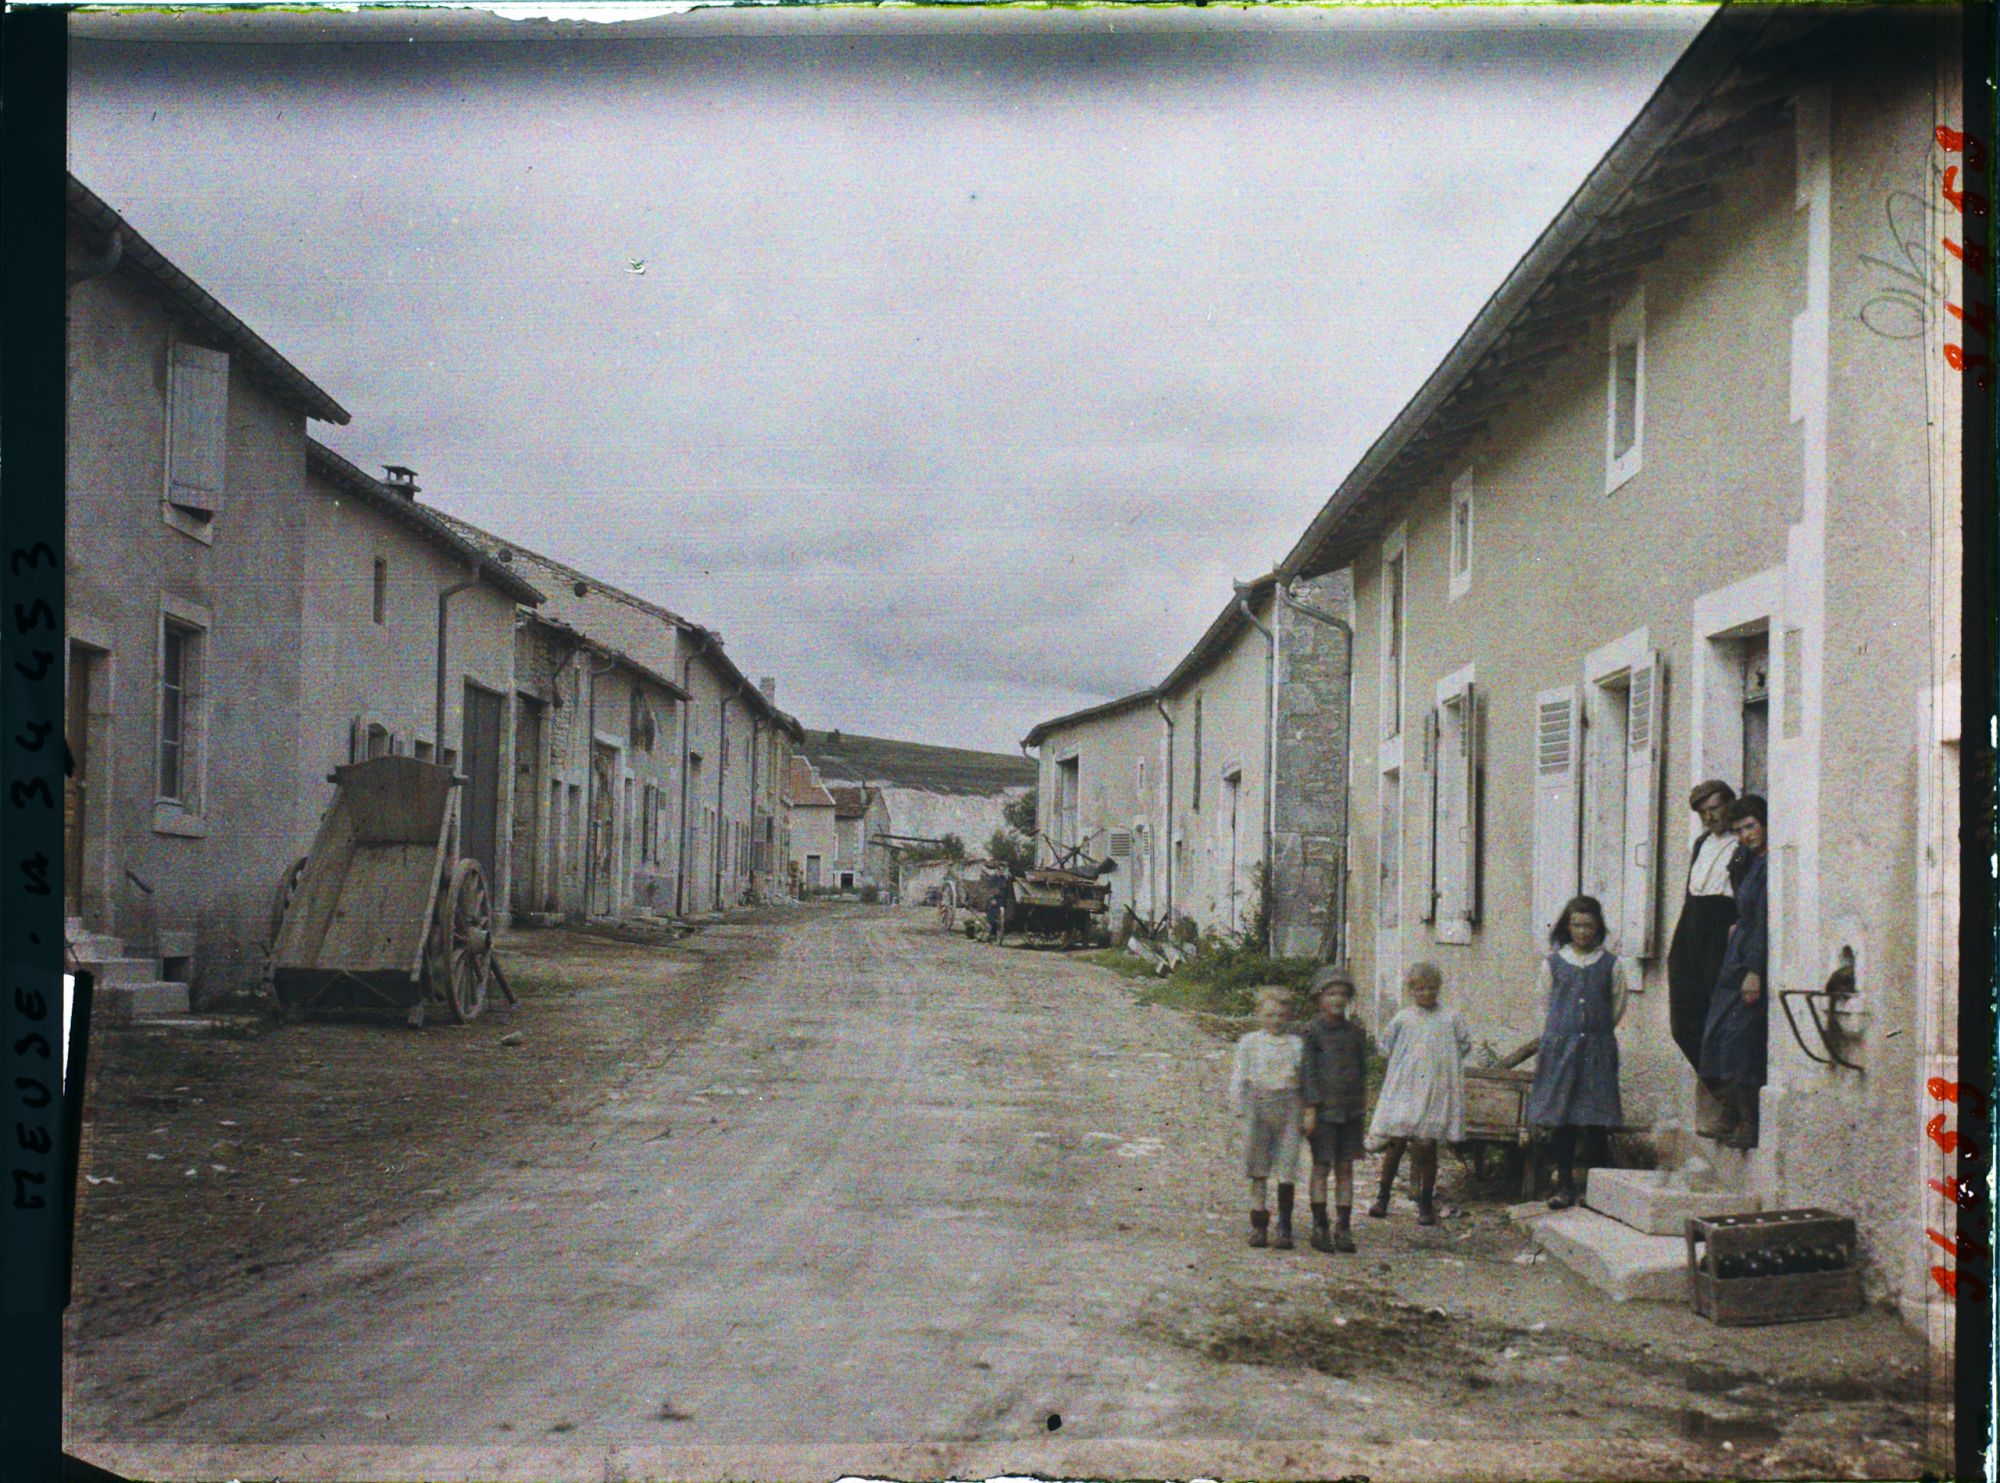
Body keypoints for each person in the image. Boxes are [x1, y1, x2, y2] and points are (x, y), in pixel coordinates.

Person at [1526, 895, 1636, 1209]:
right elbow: (1542, 1005)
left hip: (1597, 1049)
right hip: (1562, 1049)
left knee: (1595, 1118)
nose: (1583, 931)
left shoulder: (1611, 964)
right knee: (1564, 1118)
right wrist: (1558, 1036)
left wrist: (1595, 1033)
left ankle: (1597, 1190)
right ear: (1567, 927)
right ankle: (1563, 1185)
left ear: (1597, 927)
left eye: (1588, 925)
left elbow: (1618, 1005)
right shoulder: (1554, 963)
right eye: (1577, 925)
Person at [1365, 962, 1471, 1227]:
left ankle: (1425, 1202)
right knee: (1396, 1142)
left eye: (1431, 989)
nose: (1426, 994)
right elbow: (1386, 1045)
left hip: (1435, 1089)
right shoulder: (1404, 1018)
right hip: (1406, 1089)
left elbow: (1464, 1044)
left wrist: (1442, 1067)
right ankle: (1382, 1196)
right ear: (1412, 990)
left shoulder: (1450, 1017)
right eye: (1420, 989)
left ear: (1438, 989)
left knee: (1427, 1145)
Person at [1699, 795, 1769, 1149]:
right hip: (1737, 952)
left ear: (1765, 824)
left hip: (1752, 957)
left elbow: (1764, 922)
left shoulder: (1770, 866)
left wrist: (1755, 970)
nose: (1745, 836)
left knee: (1737, 1039)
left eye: (1751, 827)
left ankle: (1747, 1122)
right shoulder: (1748, 861)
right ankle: (1729, 1113)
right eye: (1739, 830)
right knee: (1715, 1034)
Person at [1666, 781, 1740, 1074]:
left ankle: (1731, 1090)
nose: (1709, 818)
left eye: (1714, 809)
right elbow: (1691, 891)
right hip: (1693, 921)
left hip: (1722, 923)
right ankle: (1716, 1083)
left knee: (1722, 1012)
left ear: (1729, 805)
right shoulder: (1701, 843)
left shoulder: (1741, 842)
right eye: (1702, 813)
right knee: (1683, 1016)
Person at [1298, 965, 1369, 1254]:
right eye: (1330, 993)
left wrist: (1361, 1108)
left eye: (1342, 994)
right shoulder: (1312, 1032)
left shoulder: (1355, 1033)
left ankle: (1343, 1227)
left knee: (1345, 1168)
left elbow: (1361, 1072)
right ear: (1318, 999)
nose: (1337, 999)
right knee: (1321, 1166)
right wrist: (1311, 1108)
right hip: (1324, 1113)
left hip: (1350, 1112)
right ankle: (1319, 1225)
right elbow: (1308, 1073)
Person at [1230, 986, 1304, 1249]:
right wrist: (1240, 1108)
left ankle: (1284, 1225)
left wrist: (1305, 1110)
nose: (1276, 1021)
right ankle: (1259, 1224)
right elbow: (1239, 1077)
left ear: (1289, 1017)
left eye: (1282, 1016)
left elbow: (1303, 1080)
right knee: (1258, 1168)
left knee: (1287, 1166)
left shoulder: (1296, 1044)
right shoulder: (1250, 1043)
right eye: (1270, 1015)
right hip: (1259, 1107)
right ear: (1259, 1014)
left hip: (1289, 1107)